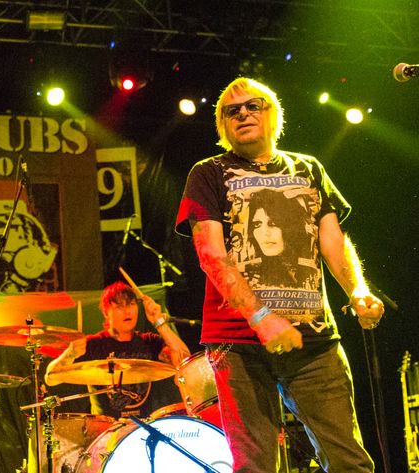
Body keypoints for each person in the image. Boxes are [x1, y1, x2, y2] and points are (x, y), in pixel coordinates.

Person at [175, 77, 384, 472]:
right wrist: (261, 317)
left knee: (348, 460)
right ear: (222, 125)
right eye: (231, 111)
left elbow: (332, 241)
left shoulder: (309, 168)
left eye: (253, 105)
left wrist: (357, 290)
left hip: (314, 339)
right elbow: (211, 255)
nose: (243, 114)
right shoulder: (208, 173)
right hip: (237, 344)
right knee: (254, 465)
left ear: (273, 114)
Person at [44, 281, 190, 420]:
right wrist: (69, 354)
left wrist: (159, 323)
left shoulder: (149, 342)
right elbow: (50, 378)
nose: (127, 311)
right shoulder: (93, 345)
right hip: (106, 432)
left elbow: (185, 361)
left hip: (144, 427)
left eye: (131, 304)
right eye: (119, 306)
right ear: (106, 312)